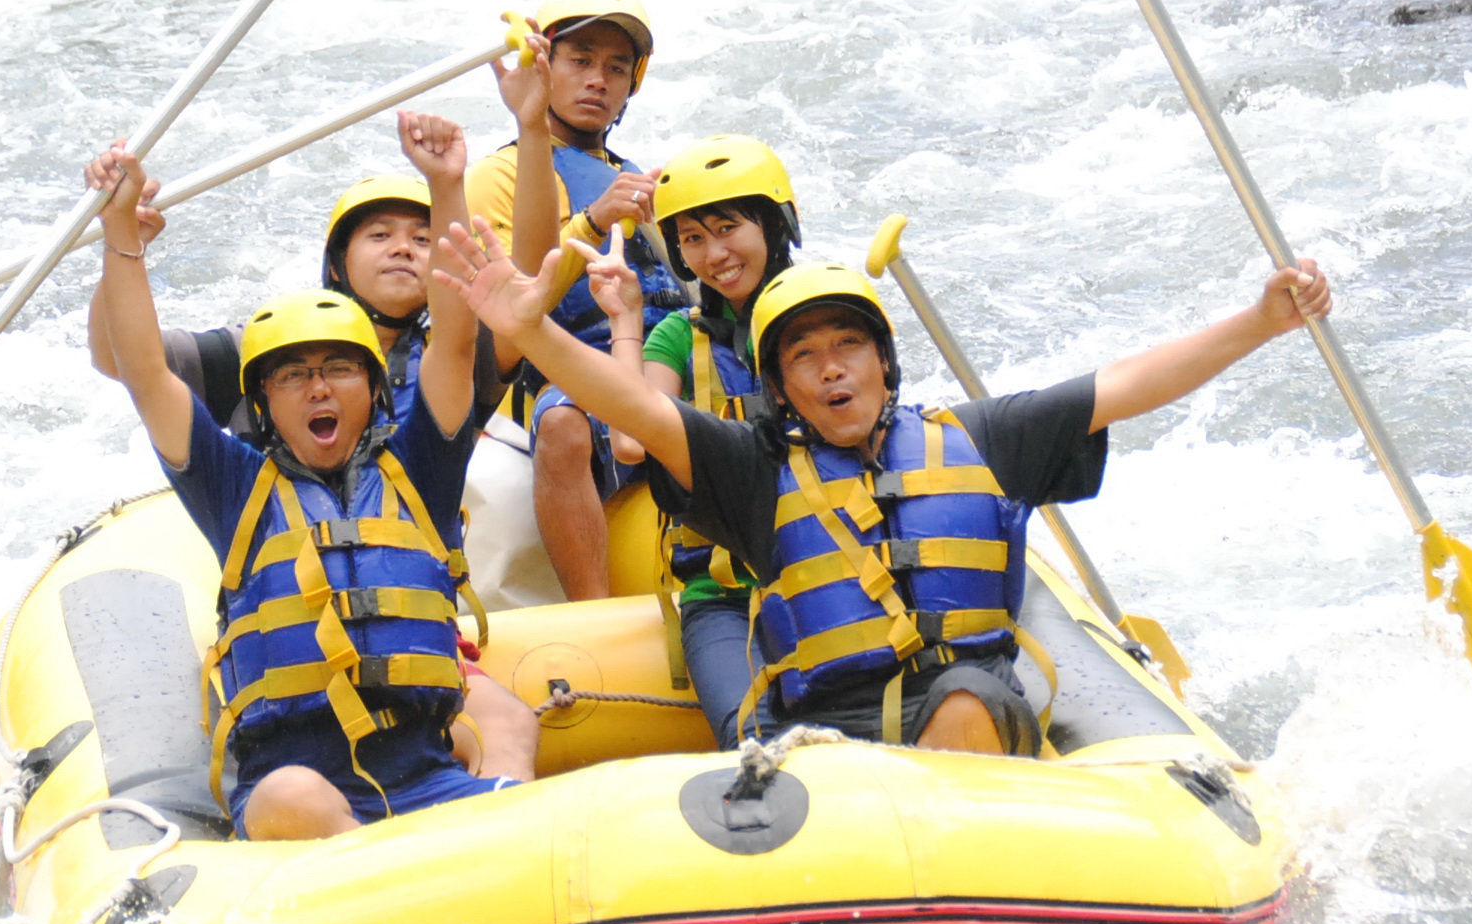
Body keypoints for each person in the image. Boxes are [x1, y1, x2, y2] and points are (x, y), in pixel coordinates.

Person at [437, 221, 1334, 755]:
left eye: (847, 349)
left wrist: (1261, 320)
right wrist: (541, 336)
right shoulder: (750, 469)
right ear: (778, 385)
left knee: (968, 702)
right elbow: (631, 408)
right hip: (831, 734)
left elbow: (1127, 385)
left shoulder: (973, 439)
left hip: (966, 712)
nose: (830, 373)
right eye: (804, 358)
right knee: (780, 765)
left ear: (882, 362)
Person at [85, 113, 530, 839]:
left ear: (377, 388)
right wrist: (121, 239)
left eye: (337, 372)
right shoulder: (232, 486)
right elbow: (141, 368)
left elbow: (455, 336)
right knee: (292, 795)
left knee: (515, 795)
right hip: (303, 792)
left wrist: (447, 185)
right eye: (292, 376)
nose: (317, 389)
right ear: (262, 402)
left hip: (426, 778)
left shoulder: (422, 466)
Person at [466, 0, 690, 603]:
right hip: (572, 362)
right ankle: (594, 615)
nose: (599, 80)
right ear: (547, 67)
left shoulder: (638, 174)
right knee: (565, 422)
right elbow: (514, 299)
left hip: (668, 347)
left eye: (616, 68)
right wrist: (592, 220)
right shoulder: (500, 173)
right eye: (581, 60)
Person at [593, 134, 803, 745]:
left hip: (832, 571)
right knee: (754, 739)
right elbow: (630, 444)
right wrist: (626, 320)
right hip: (724, 598)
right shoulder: (679, 339)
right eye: (691, 238)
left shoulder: (825, 314)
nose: (713, 254)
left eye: (728, 228)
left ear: (773, 225)